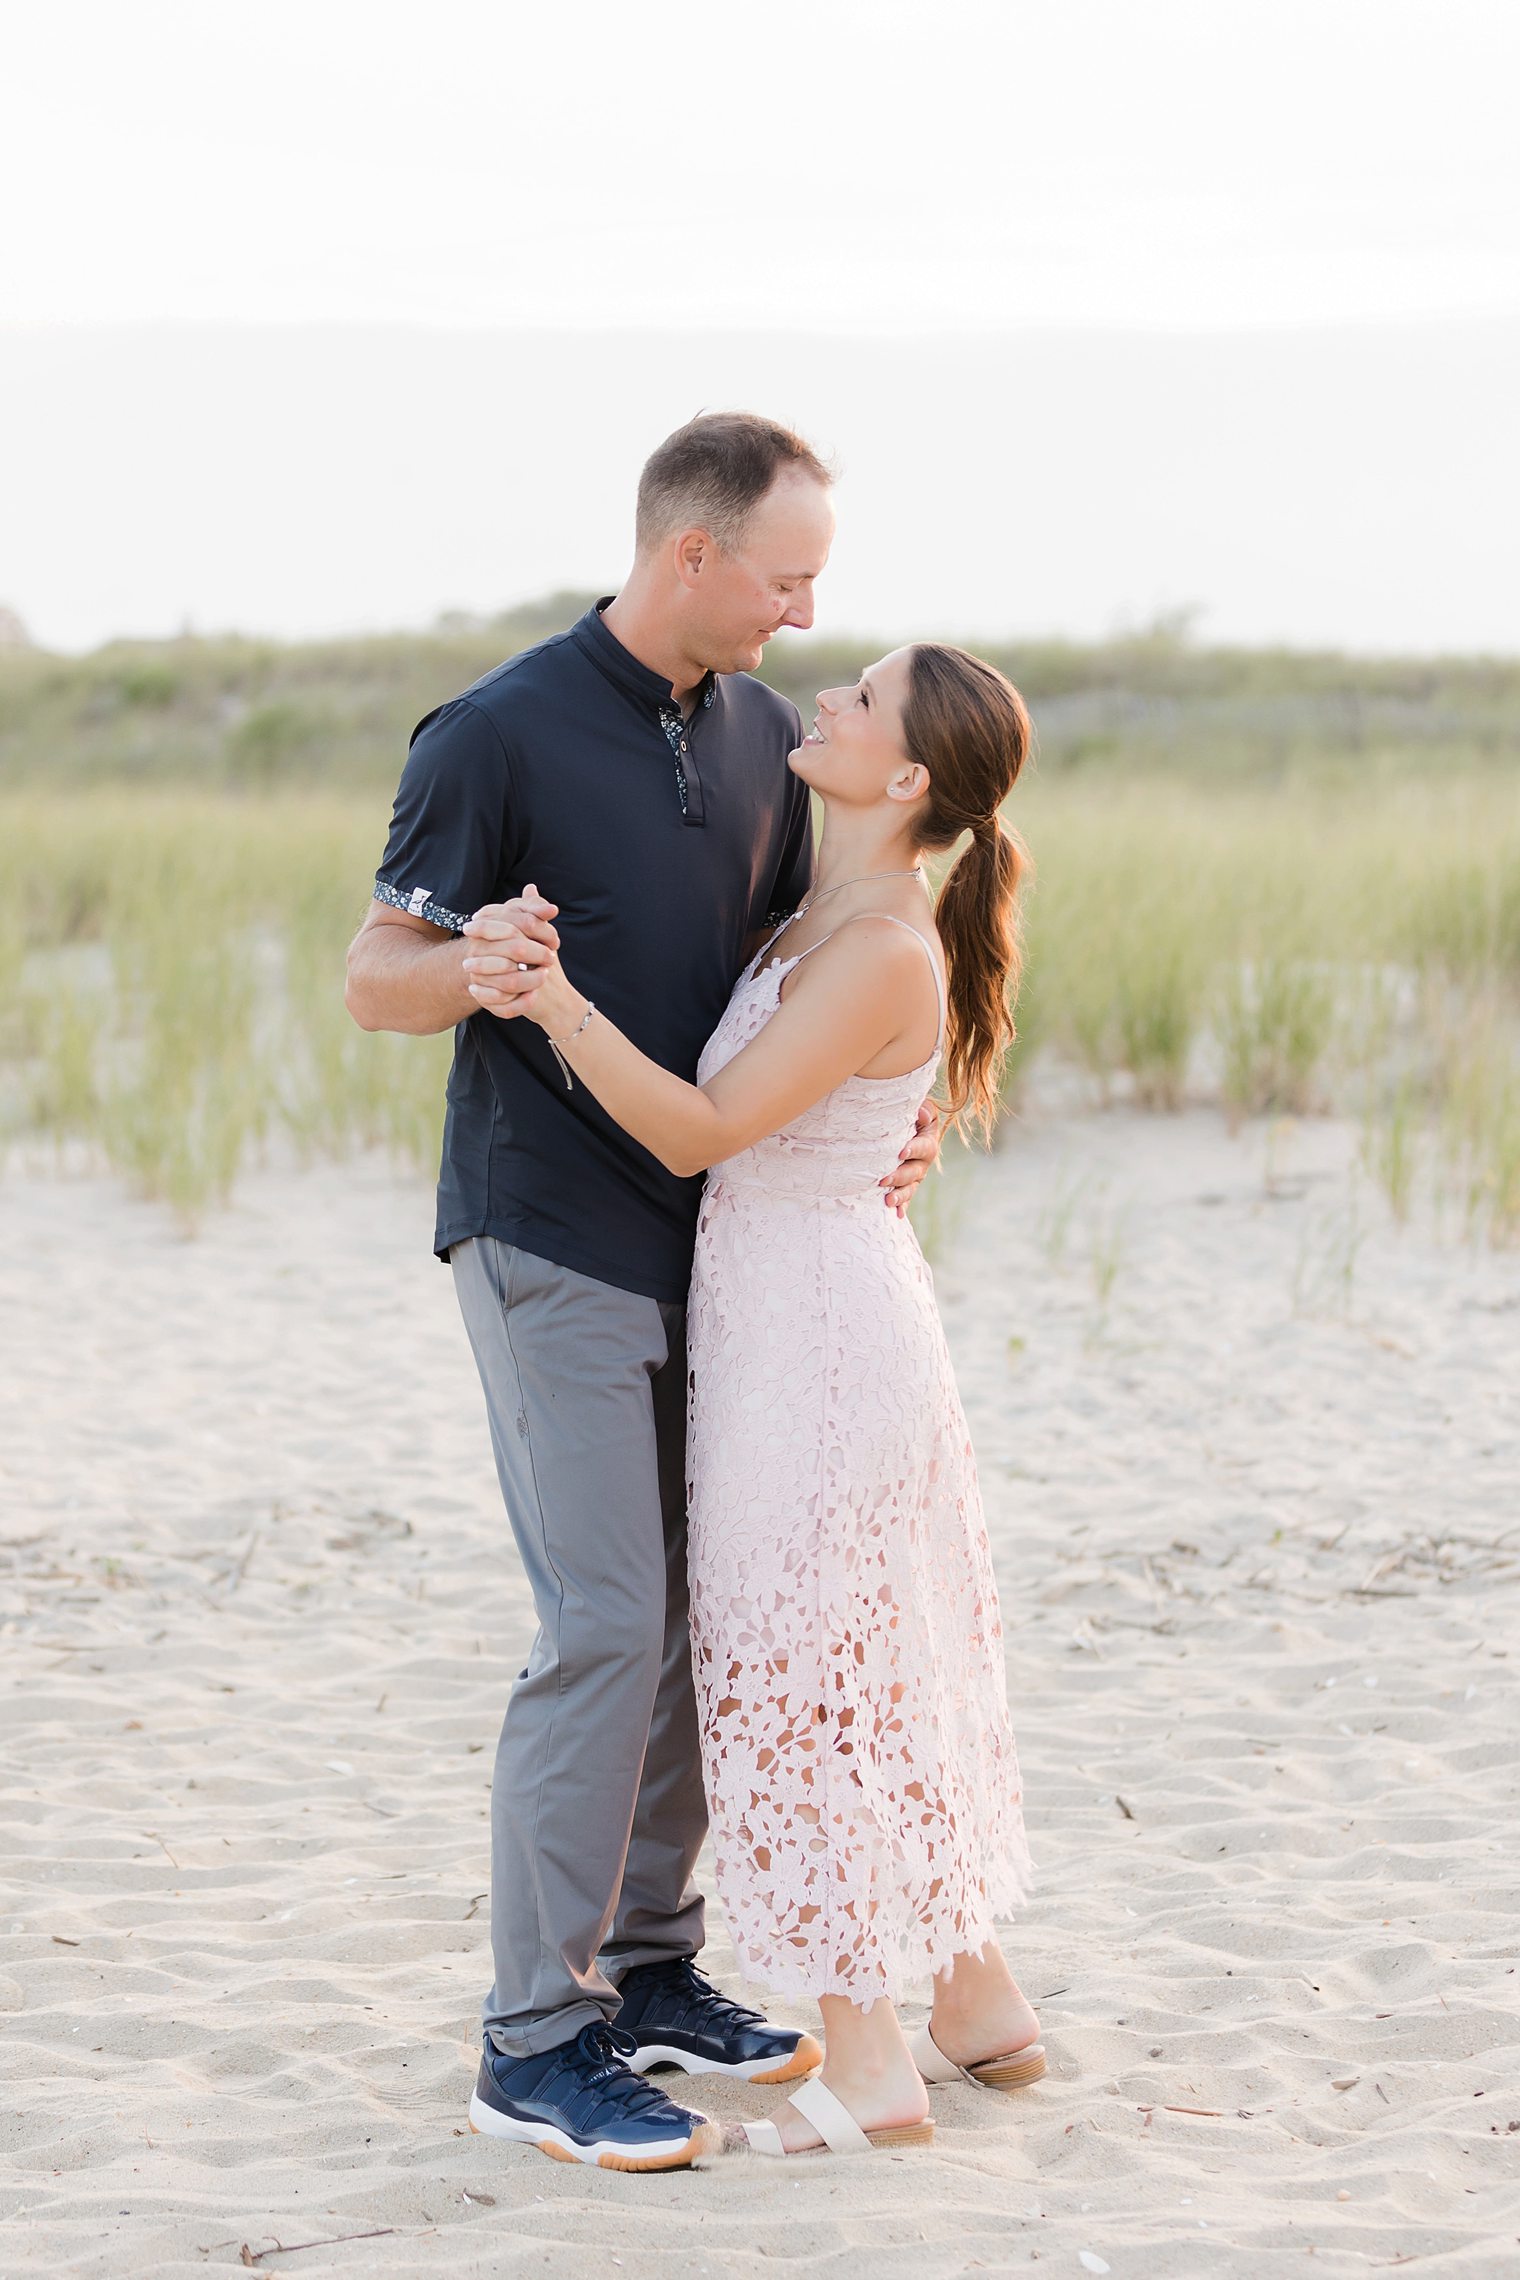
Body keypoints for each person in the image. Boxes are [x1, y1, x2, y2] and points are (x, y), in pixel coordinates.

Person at [345, 413, 941, 2172]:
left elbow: (800, 987)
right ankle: (535, 2035)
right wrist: (474, 964)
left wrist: (882, 1141)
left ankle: (659, 1971)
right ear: (693, 557)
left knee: (698, 1616)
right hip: (549, 1238)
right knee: (607, 1621)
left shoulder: (766, 735)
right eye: (786, 573)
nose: (807, 607)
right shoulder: (495, 730)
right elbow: (376, 979)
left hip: (732, 1252)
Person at [471, 638, 1042, 2159]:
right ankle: (976, 1999)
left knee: (804, 1671)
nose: (824, 702)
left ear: (909, 777)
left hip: (819, 1344)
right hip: (803, 1317)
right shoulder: (829, 904)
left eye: (859, 700)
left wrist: (549, 1002)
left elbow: (707, 1130)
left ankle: (869, 2060)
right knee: (870, 1650)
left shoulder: (873, 943)